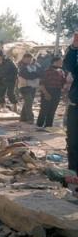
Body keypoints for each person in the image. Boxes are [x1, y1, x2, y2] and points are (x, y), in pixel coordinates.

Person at [37, 57, 67, 128]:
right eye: (60, 61)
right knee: (44, 109)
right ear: (55, 62)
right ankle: (39, 125)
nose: (61, 63)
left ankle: (49, 126)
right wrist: (46, 93)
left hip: (57, 91)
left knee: (52, 110)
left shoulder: (61, 71)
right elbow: (41, 84)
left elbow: (63, 83)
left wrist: (63, 94)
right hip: (48, 90)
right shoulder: (47, 71)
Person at [64, 32, 78, 174]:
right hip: (76, 106)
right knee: (73, 141)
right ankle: (73, 174)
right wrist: (74, 47)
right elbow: (68, 65)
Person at [17, 53, 41, 124]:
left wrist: (35, 74)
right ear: (24, 58)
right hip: (24, 86)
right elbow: (27, 75)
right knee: (29, 102)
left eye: (30, 59)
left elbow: (41, 72)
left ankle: (23, 118)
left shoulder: (33, 66)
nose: (29, 61)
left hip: (33, 86)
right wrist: (36, 74)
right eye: (27, 59)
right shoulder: (21, 66)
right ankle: (30, 119)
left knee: (27, 103)